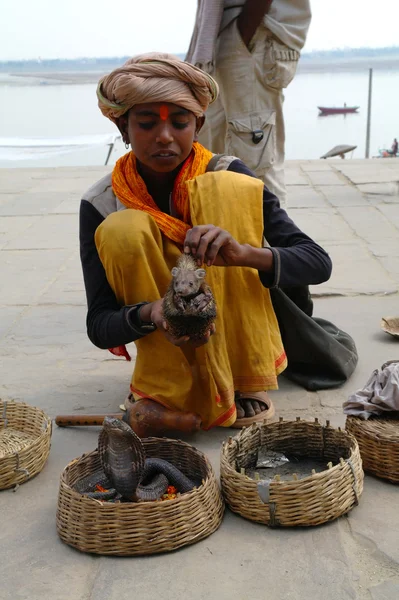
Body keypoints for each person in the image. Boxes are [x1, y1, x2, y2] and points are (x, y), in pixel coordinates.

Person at [79, 52, 332, 437]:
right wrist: (153, 313)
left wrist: (242, 253)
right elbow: (99, 325)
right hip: (163, 333)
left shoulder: (229, 173)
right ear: (124, 129)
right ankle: (167, 381)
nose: (165, 136)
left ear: (197, 126)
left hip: (234, 324)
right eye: (146, 124)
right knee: (123, 230)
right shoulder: (100, 203)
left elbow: (317, 262)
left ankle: (244, 372)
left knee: (225, 192)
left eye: (179, 123)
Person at [186, 0, 312, 203]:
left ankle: (272, 235)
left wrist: (243, 33)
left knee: (254, 162)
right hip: (224, 35)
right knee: (212, 154)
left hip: (250, 31)